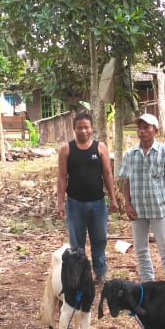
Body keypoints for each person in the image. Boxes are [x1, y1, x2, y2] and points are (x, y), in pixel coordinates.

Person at [55, 110, 118, 283]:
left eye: (86, 127)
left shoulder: (100, 147)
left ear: (92, 128)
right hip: (75, 204)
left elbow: (107, 174)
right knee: (77, 243)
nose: (83, 131)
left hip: (97, 203)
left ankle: (100, 272)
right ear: (74, 129)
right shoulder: (66, 149)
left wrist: (113, 198)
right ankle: (81, 275)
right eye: (79, 128)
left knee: (99, 239)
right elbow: (61, 177)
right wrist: (60, 203)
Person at [119, 113, 165, 282]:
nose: (142, 131)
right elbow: (126, 180)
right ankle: (147, 283)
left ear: (155, 130)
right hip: (137, 209)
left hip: (157, 206)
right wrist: (127, 204)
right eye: (140, 127)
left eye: (146, 127)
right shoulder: (130, 154)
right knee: (140, 248)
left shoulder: (164, 152)